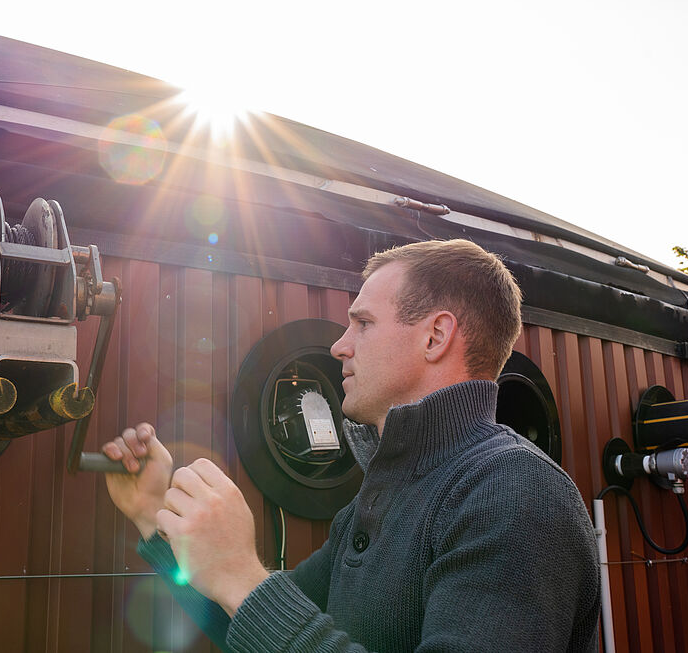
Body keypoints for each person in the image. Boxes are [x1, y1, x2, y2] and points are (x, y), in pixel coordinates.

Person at [101, 239, 600, 652]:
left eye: (363, 323)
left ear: (436, 337)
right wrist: (152, 515)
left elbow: (250, 596)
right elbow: (251, 623)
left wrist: (242, 575)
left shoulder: (515, 494)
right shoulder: (376, 502)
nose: (340, 345)